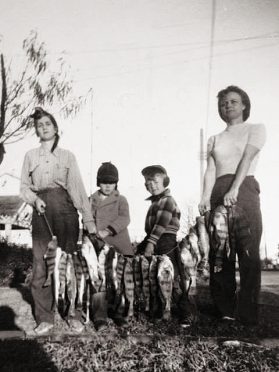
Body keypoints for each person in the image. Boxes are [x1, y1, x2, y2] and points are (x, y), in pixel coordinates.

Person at [20, 107, 96, 335]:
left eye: (47, 124)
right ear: (36, 130)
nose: (43, 127)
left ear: (56, 128)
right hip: (41, 211)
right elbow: (24, 187)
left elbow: (77, 189)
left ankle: (74, 314)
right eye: (39, 125)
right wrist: (34, 200)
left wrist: (89, 219)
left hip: (66, 211)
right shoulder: (30, 156)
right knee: (41, 264)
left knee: (71, 265)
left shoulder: (67, 156)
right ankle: (45, 318)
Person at [199, 85, 266, 325]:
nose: (227, 106)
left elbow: (247, 159)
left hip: (244, 188)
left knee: (248, 253)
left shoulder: (256, 129)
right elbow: (211, 170)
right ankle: (225, 309)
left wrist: (235, 189)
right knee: (220, 254)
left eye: (233, 101)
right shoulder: (214, 139)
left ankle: (248, 313)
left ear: (244, 105)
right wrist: (205, 197)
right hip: (218, 190)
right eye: (223, 103)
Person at [138, 165, 194, 323]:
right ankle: (161, 311)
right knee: (155, 277)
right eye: (147, 182)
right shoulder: (153, 203)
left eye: (155, 181)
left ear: (165, 181)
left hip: (166, 241)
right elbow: (150, 230)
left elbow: (161, 225)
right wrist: (142, 246)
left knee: (172, 276)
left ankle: (185, 314)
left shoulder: (167, 200)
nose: (151, 185)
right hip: (153, 239)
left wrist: (150, 244)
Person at [86, 161, 134, 331]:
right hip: (98, 246)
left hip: (118, 246)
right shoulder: (90, 200)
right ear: (98, 182)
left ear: (116, 183)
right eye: (104, 182)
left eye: (111, 183)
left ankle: (118, 313)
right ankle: (99, 316)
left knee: (117, 282)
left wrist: (108, 230)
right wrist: (88, 235)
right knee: (98, 281)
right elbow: (86, 219)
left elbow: (124, 219)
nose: (108, 186)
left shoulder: (121, 200)